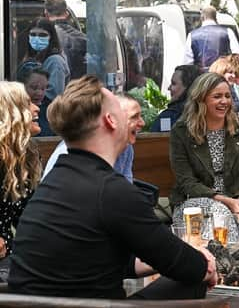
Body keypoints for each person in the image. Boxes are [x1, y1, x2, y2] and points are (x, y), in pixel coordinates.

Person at [8, 75, 217, 299]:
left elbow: (89, 261)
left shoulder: (55, 182)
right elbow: (187, 266)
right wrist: (205, 264)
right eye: (119, 108)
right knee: (194, 283)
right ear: (111, 120)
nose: (139, 122)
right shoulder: (112, 190)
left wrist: (161, 262)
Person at [169, 72, 239, 241]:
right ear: (201, 100)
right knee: (221, 213)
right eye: (217, 96)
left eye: (227, 96)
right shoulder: (181, 132)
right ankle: (222, 263)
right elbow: (187, 183)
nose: (224, 101)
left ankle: (222, 262)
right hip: (193, 204)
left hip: (236, 203)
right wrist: (226, 202)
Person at [42, 93, 145, 183]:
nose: (142, 123)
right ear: (111, 119)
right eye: (134, 117)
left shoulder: (126, 148)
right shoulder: (74, 150)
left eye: (141, 116)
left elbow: (124, 189)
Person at [0, 82, 42, 280]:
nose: (36, 108)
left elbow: (29, 215)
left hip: (9, 259)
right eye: (27, 104)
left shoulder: (27, 156)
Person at [18, 18, 70, 100]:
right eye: (33, 34)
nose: (37, 38)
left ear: (51, 37)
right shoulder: (33, 57)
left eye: (43, 35)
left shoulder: (55, 61)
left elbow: (53, 96)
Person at [183, 6, 239, 72]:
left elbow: (187, 63)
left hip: (201, 78)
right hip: (222, 76)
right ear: (215, 17)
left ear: (202, 18)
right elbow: (238, 57)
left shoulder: (192, 35)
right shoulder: (228, 32)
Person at [44, 0, 87, 79]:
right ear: (67, 13)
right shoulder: (83, 39)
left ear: (46, 13)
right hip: (77, 88)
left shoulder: (44, 39)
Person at [150, 65, 201, 132]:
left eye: (173, 83)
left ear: (188, 87)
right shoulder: (211, 115)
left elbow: (159, 140)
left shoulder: (168, 117)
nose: (169, 88)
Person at [17, 66, 54, 136]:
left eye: (43, 88)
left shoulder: (50, 110)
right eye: (34, 87)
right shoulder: (12, 111)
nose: (39, 93)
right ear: (20, 86)